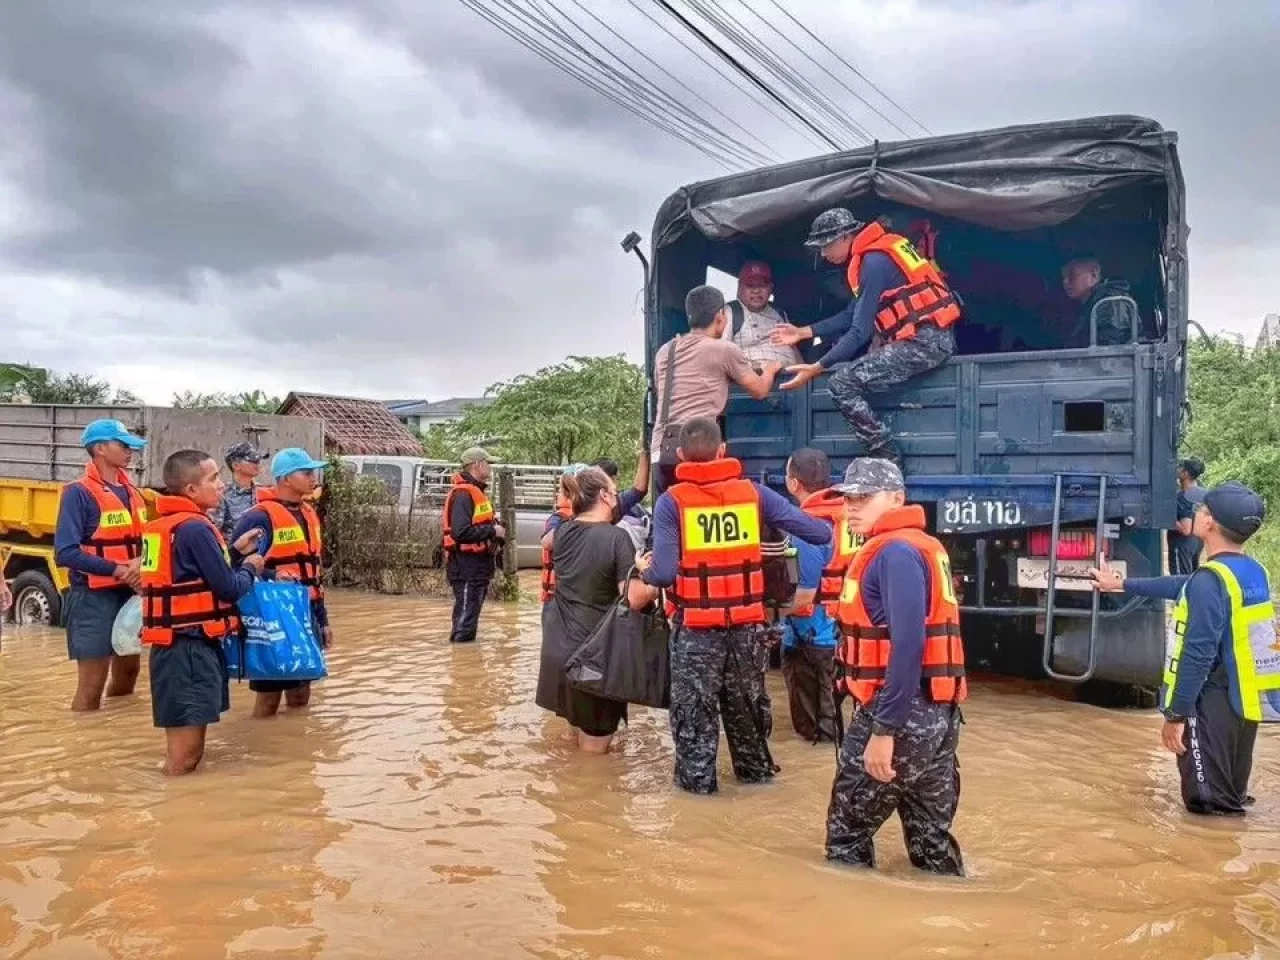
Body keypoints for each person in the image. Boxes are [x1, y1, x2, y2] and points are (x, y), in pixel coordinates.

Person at [636, 417, 832, 795]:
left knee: (695, 722)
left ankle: (698, 801)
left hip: (695, 634)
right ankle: (757, 787)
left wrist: (643, 568)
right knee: (748, 718)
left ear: (680, 456)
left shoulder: (670, 502)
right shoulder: (754, 495)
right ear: (723, 450)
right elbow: (820, 532)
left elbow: (661, 574)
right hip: (747, 632)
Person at [1090, 481, 1273, 816]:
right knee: (1231, 799)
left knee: (1209, 809)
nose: (1197, 512)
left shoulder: (1211, 580)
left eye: (1202, 509)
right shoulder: (1251, 572)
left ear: (1208, 524)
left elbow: (1197, 654)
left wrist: (1176, 715)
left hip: (1208, 704)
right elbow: (1185, 585)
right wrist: (1122, 583)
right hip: (1243, 704)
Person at [826, 457, 966, 876]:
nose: (852, 507)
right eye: (848, 499)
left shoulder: (896, 553)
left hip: (902, 716)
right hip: (935, 716)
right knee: (932, 848)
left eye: (864, 498)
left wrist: (883, 732)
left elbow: (908, 646)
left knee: (845, 838)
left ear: (897, 498)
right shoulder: (916, 547)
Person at [771, 210, 960, 466]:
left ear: (846, 236)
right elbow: (853, 313)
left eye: (826, 246)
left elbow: (859, 331)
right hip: (931, 338)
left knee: (841, 384)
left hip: (922, 343)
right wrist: (804, 332)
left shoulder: (873, 261)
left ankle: (886, 455)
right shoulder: (878, 253)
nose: (824, 254)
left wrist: (816, 367)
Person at [141, 450, 266, 775]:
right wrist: (251, 568)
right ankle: (172, 814)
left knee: (185, 754)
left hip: (176, 648)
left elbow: (193, 574)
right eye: (213, 478)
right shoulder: (196, 528)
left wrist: (236, 553)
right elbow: (227, 587)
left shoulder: (165, 526)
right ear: (191, 490)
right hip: (188, 651)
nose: (221, 486)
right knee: (186, 757)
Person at [536, 466, 648, 754]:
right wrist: (656, 580)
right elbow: (633, 598)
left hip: (559, 654)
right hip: (595, 661)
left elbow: (554, 545)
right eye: (613, 491)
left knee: (573, 744)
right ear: (603, 496)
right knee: (593, 761)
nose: (616, 496)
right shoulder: (616, 538)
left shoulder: (562, 533)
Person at [54, 419, 149, 711]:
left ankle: (115, 739)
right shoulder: (78, 493)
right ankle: (83, 742)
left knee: (129, 676)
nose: (130, 451)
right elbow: (65, 553)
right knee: (91, 686)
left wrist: (141, 563)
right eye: (123, 445)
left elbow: (148, 540)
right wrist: (120, 570)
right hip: (92, 598)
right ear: (99, 449)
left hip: (130, 595)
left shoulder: (134, 492)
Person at [650, 285, 784, 494]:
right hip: (699, 452)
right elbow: (759, 391)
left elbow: (660, 394)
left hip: (662, 452)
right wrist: (770, 369)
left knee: (670, 520)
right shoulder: (724, 350)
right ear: (720, 317)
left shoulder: (665, 351)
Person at [231, 447, 332, 718]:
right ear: (286, 478)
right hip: (273, 614)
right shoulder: (259, 516)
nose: (314, 478)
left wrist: (323, 620)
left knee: (302, 689)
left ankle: (295, 745)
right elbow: (233, 562)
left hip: (306, 609)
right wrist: (273, 576)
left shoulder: (309, 514)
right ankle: (264, 745)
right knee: (269, 692)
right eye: (307, 472)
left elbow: (314, 571)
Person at [779, 447, 862, 743]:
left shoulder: (805, 528)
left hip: (810, 640)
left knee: (814, 733)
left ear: (793, 483)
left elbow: (803, 596)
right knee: (840, 723)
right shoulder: (850, 517)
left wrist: (766, 615)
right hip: (847, 635)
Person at [442, 447, 504, 644]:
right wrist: (493, 532)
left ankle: (464, 661)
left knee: (469, 616)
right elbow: (460, 532)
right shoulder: (463, 494)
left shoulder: (476, 491)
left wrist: (495, 534)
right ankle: (460, 662)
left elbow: (478, 524)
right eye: (488, 463)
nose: (491, 468)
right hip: (466, 565)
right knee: (465, 620)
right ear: (478, 465)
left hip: (477, 565)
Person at [724, 261, 803, 371]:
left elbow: (793, 349)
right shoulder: (731, 311)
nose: (756, 290)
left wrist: (804, 378)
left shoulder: (779, 313)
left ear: (770, 288)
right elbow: (720, 354)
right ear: (740, 287)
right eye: (750, 285)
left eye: (762, 285)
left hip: (788, 379)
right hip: (754, 381)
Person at [1061, 256, 1139, 348]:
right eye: (1063, 277)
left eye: (1072, 276)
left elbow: (1112, 347)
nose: (1065, 282)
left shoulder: (1111, 302)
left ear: (1094, 276)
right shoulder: (1089, 305)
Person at [541, 464, 585, 603]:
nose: (557, 494)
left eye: (560, 490)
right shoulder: (557, 519)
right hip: (559, 595)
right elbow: (547, 542)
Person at [211, 441, 264, 541]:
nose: (257, 463)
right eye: (252, 460)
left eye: (258, 460)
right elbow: (214, 531)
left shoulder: (264, 491)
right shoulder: (222, 494)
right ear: (236, 465)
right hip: (236, 552)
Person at [1170, 457, 1206, 575]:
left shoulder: (1183, 497)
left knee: (1179, 582)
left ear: (1185, 474)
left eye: (1180, 468)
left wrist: (1166, 518)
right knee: (1192, 579)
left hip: (1182, 545)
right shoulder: (1202, 493)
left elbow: (1185, 529)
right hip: (1197, 542)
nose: (1177, 470)